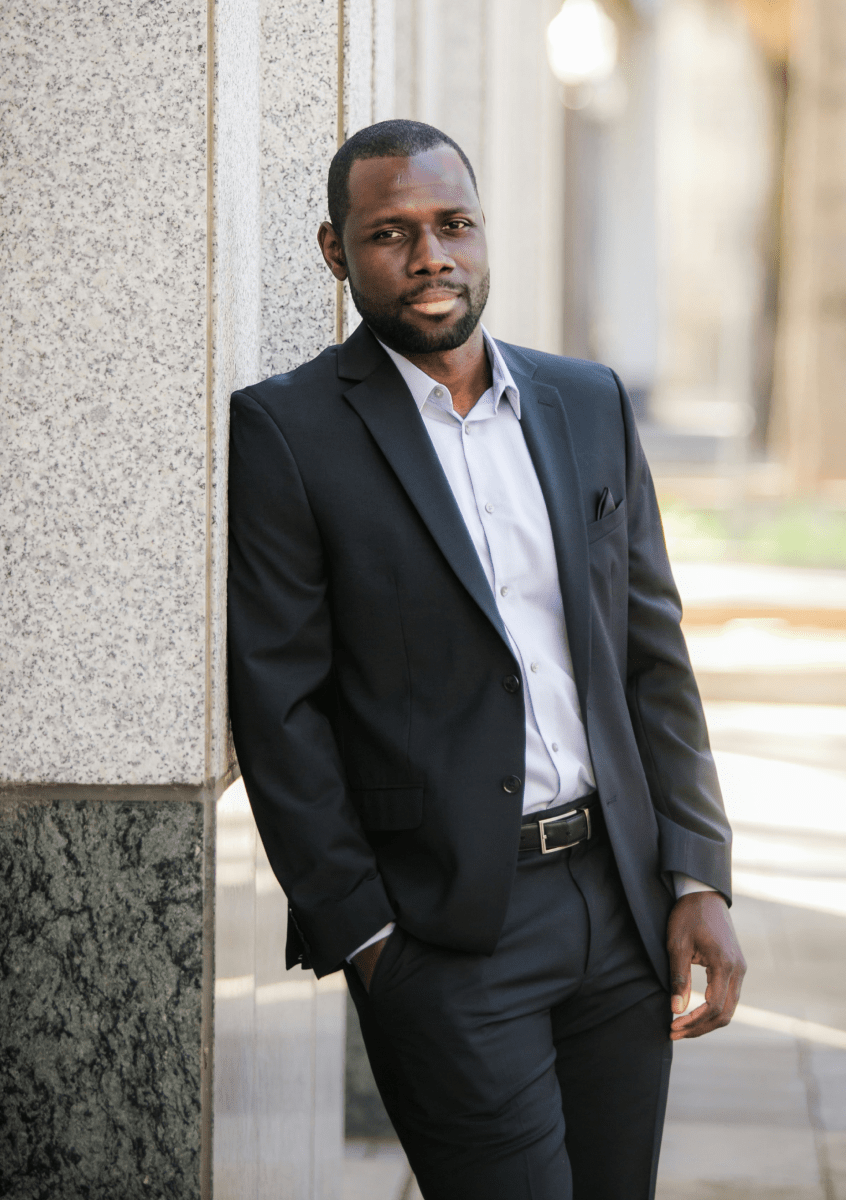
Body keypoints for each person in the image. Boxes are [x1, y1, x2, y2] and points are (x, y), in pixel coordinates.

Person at [228, 118, 745, 1200]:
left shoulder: (587, 403)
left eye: (453, 224)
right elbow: (279, 705)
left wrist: (695, 874)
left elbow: (650, 654)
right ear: (336, 252)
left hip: (619, 905)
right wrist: (368, 936)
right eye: (391, 234)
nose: (431, 257)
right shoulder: (288, 433)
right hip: (446, 930)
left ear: (483, 233)